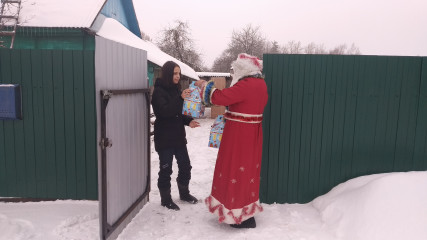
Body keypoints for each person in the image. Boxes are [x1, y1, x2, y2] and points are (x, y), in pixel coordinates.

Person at [195, 53, 268, 228]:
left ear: (242, 69)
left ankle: (238, 216)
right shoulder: (261, 84)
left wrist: (204, 85)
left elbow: (218, 97)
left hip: (239, 137)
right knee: (247, 173)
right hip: (253, 135)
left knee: (234, 171)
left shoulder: (245, 85)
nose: (233, 72)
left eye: (235, 69)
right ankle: (247, 214)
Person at [151, 61, 200, 211]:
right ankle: (166, 200)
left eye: (179, 73)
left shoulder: (175, 89)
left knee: (186, 166)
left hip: (178, 137)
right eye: (175, 73)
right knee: (166, 170)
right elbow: (164, 112)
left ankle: (184, 193)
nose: (178, 76)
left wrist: (189, 121)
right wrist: (180, 99)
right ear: (167, 74)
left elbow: (179, 112)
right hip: (165, 139)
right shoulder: (158, 92)